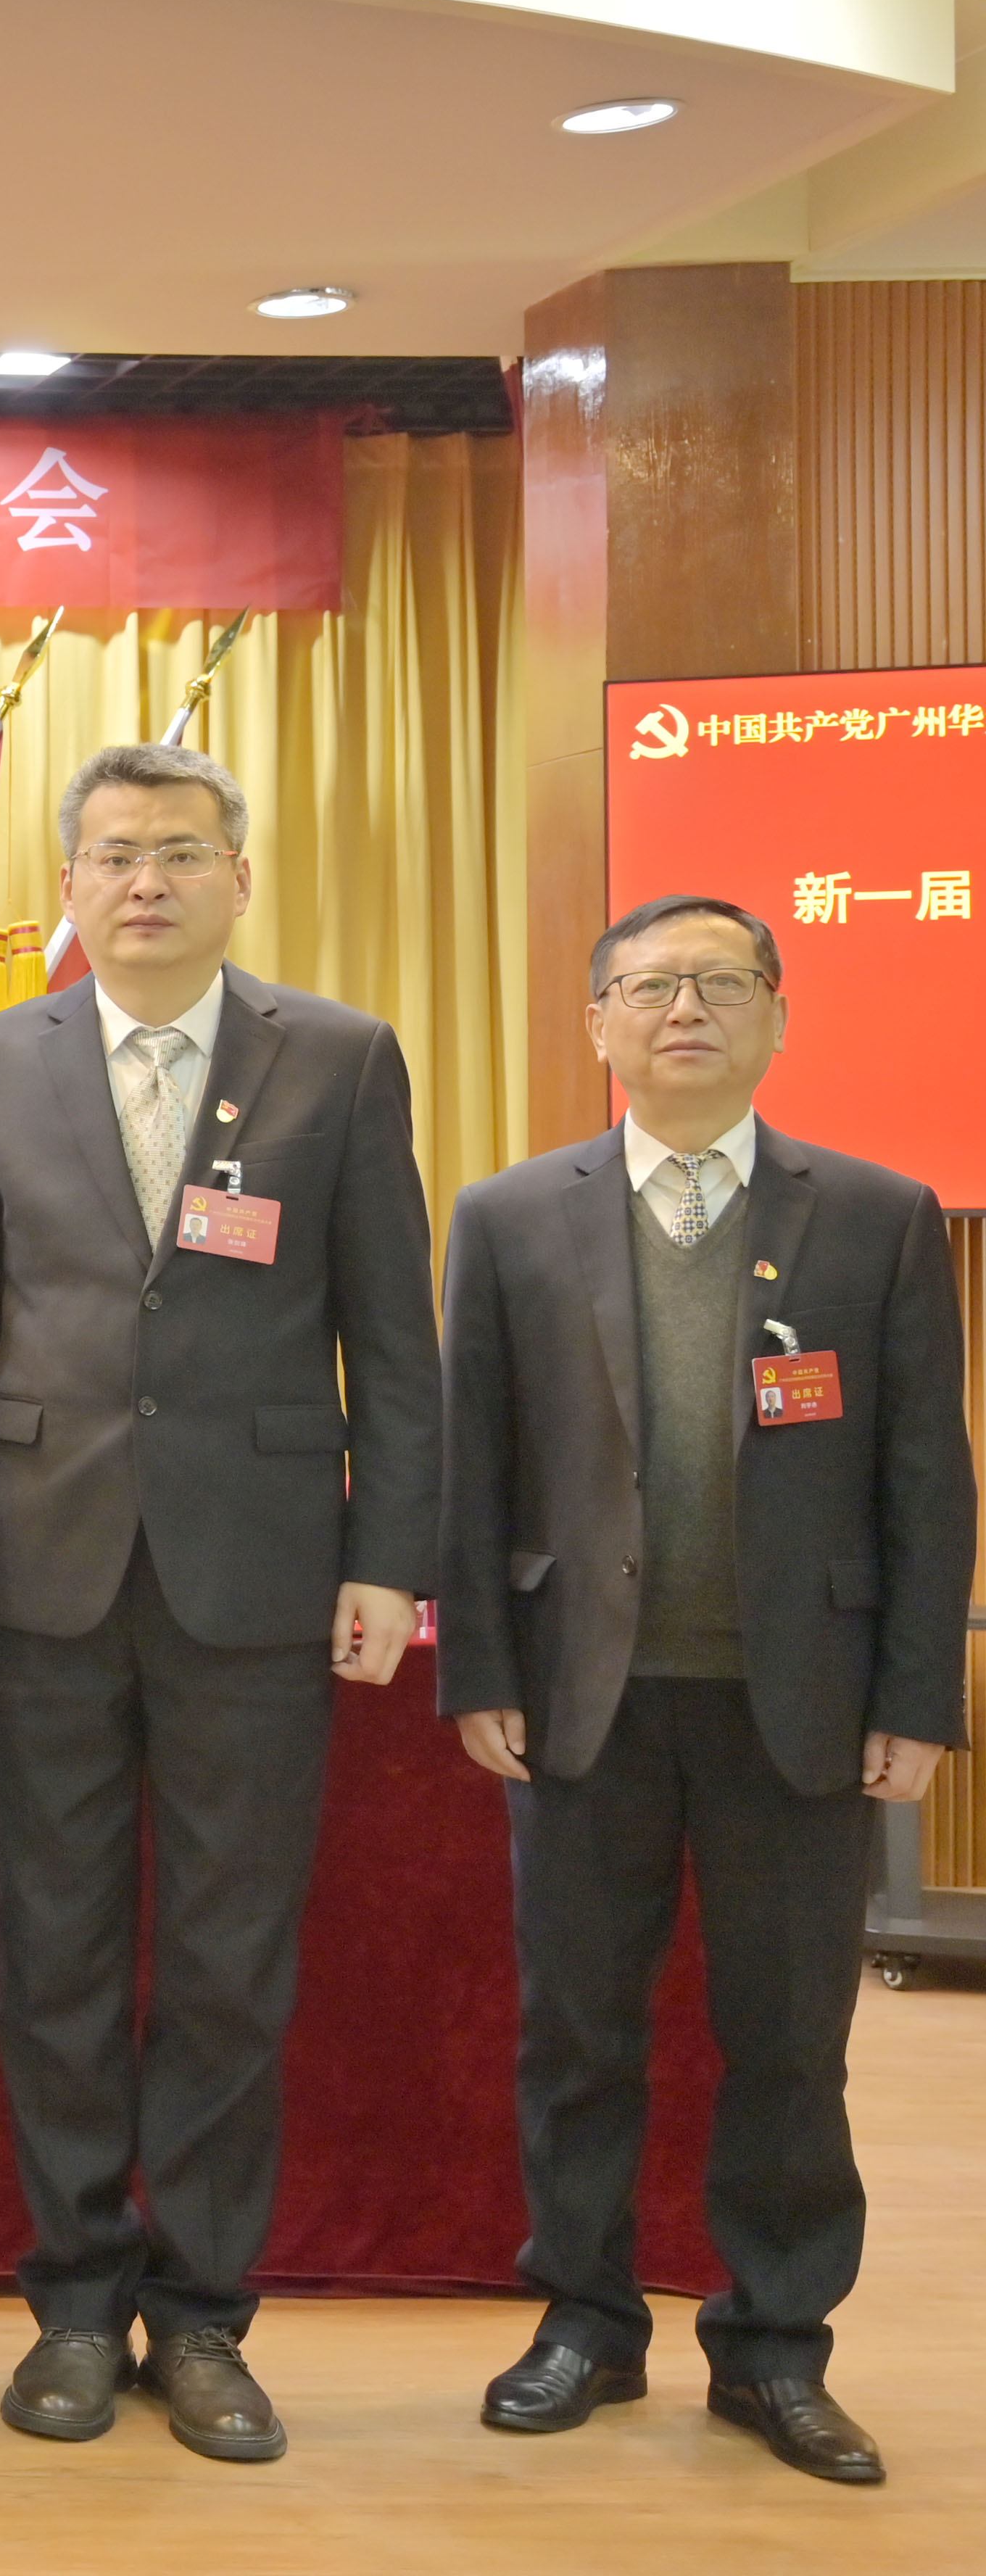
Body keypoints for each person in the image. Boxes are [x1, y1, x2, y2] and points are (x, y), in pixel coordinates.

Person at [0, 739, 440, 2464]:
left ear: (238, 878)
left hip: (263, 1570)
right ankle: (73, 2302)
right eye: (118, 853)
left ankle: (203, 2313)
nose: (148, 880)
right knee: (53, 1951)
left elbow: (394, 1332)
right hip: (40, 1566)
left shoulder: (338, 1058)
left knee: (228, 1955)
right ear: (69, 883)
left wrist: (389, 1556)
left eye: (182, 852)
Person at [435, 895, 969, 2487]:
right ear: (598, 1020)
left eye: (722, 983)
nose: (686, 1010)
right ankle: (586, 2322)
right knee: (580, 2031)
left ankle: (776, 2345)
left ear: (778, 1017)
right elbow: (473, 1465)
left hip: (798, 1699)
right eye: (652, 985)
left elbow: (927, 1474)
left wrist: (918, 1695)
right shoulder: (510, 1215)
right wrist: (479, 1665)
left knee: (790, 2039)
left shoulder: (875, 1213)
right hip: (580, 1697)